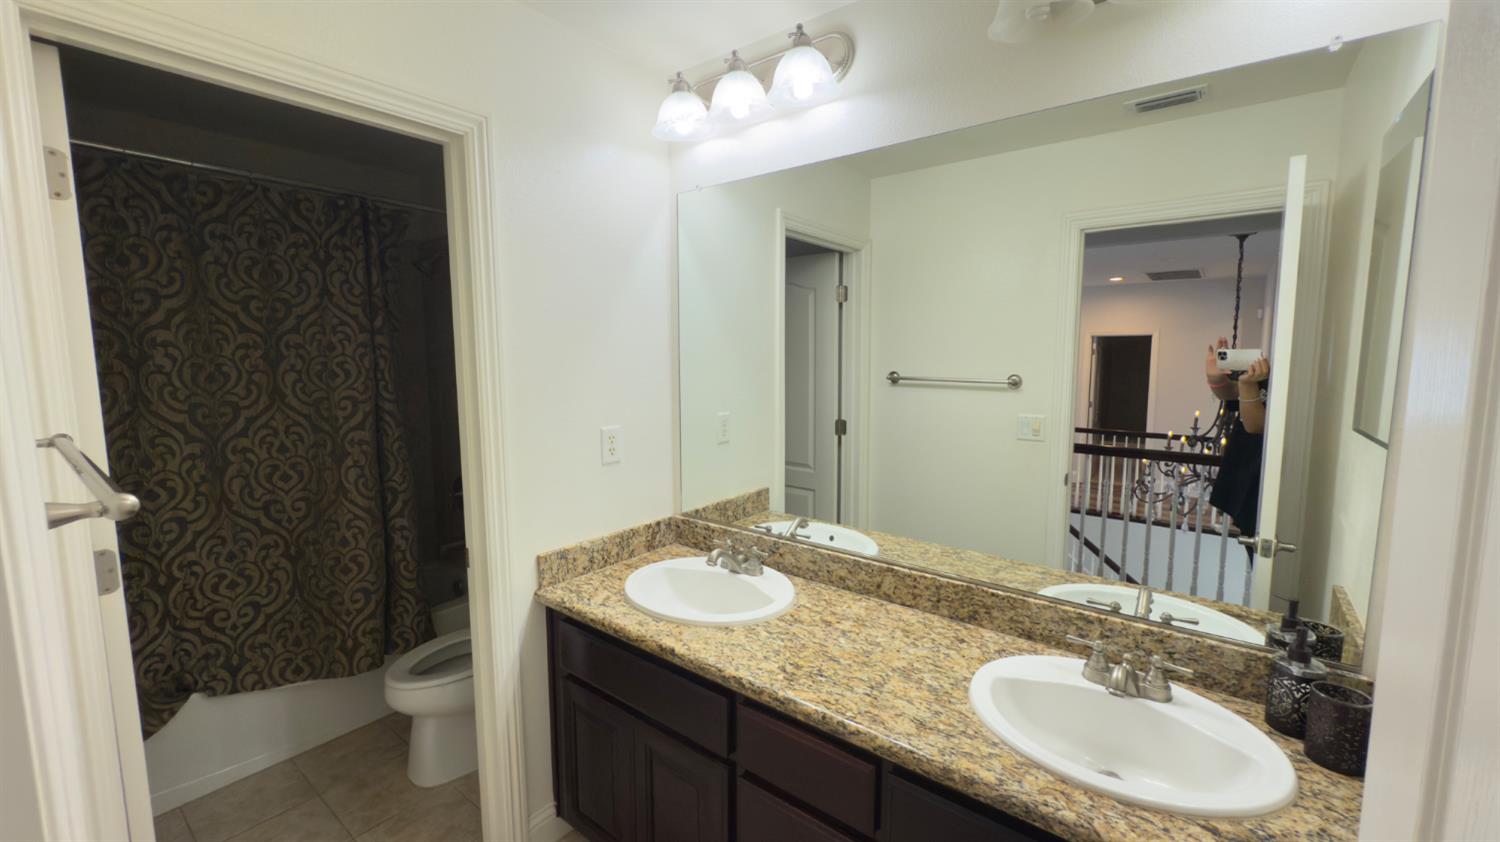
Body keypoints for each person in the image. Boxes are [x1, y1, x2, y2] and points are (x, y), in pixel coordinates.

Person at [1204, 336, 1270, 541]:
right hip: (1247, 475)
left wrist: (1247, 385)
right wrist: (1216, 379)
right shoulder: (1269, 373)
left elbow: (1256, 425)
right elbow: (1232, 395)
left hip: (1258, 480)